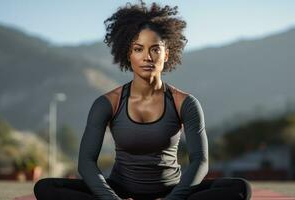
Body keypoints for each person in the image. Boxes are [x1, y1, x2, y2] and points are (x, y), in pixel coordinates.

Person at [33, 1, 252, 200]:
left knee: (240, 189)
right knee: (46, 188)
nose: (147, 57)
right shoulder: (107, 103)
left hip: (172, 192)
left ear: (167, 54)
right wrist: (111, 199)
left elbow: (200, 162)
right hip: (119, 191)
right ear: (128, 54)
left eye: (155, 49)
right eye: (138, 49)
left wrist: (173, 199)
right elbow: (86, 163)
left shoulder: (184, 103)